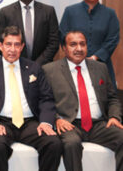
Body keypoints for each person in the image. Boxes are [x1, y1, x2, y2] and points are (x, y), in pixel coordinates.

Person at [0, 26, 62, 171]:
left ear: (22, 47)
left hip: (30, 123)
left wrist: (46, 122)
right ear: (0, 46)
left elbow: (46, 98)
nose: (12, 49)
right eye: (8, 44)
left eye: (17, 45)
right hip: (1, 122)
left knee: (54, 143)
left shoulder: (34, 68)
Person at [43, 31, 123, 171]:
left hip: (99, 124)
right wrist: (56, 119)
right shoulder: (50, 70)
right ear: (64, 48)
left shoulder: (100, 68)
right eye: (73, 44)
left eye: (82, 44)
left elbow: (112, 98)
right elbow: (44, 101)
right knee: (71, 144)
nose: (78, 48)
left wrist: (114, 116)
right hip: (69, 124)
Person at [59, 0, 120, 88]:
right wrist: (75, 55)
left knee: (104, 99)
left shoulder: (110, 14)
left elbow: (113, 39)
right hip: (73, 64)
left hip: (101, 64)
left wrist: (95, 57)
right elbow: (63, 34)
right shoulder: (70, 11)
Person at [0, 0, 59, 65]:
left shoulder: (48, 11)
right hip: (15, 66)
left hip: (43, 67)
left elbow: (54, 43)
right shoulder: (5, 12)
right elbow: (0, 42)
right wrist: (18, 62)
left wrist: (36, 65)